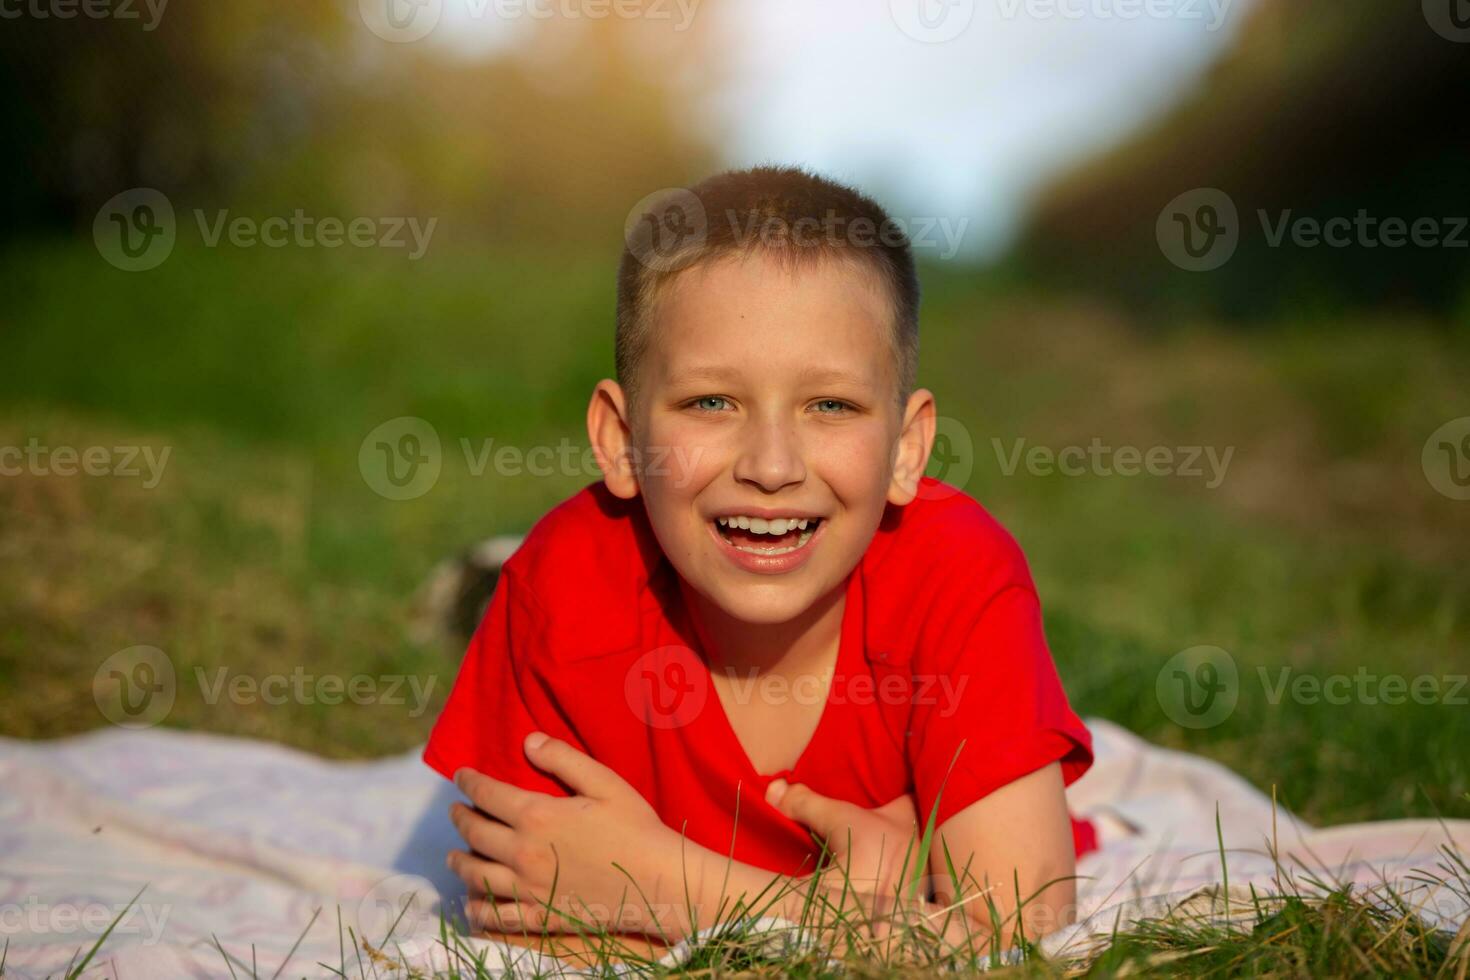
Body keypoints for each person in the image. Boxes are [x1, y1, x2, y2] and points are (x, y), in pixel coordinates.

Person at [422, 165, 1094, 954]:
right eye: (711, 402)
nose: (772, 467)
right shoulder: (560, 589)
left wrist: (661, 885)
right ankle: (474, 587)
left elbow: (1018, 928)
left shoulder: (957, 570)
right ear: (620, 439)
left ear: (907, 449)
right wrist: (859, 917)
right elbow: (518, 918)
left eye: (830, 405)